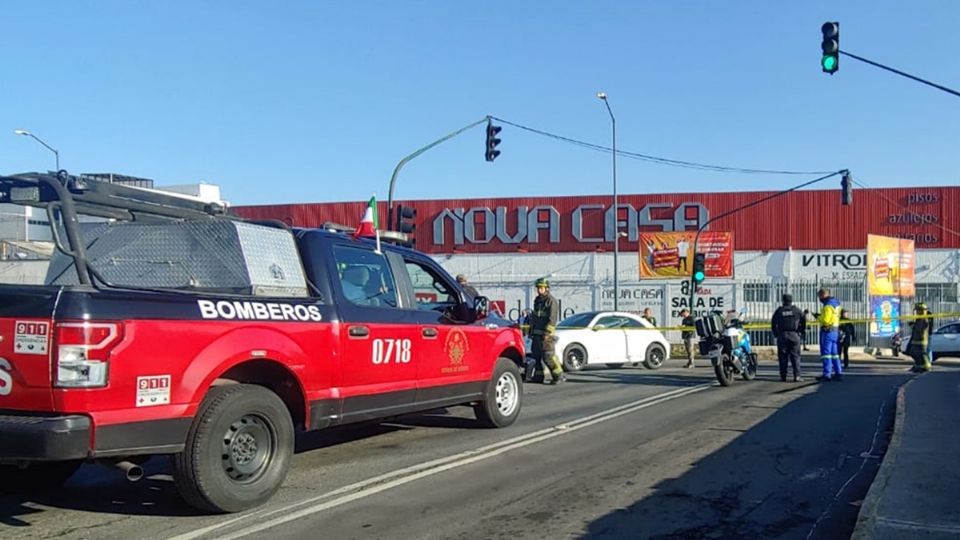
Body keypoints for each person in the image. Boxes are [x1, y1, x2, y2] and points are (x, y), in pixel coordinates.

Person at [527, 278, 566, 385]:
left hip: (546, 336)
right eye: (538, 288)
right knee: (536, 356)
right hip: (536, 334)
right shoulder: (537, 301)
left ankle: (558, 375)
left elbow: (552, 319)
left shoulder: (551, 301)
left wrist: (547, 333)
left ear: (547, 289)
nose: (539, 290)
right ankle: (538, 376)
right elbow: (535, 317)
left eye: (541, 288)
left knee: (548, 356)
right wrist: (531, 331)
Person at [771, 293, 804, 382]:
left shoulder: (779, 311)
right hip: (794, 335)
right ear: (791, 300)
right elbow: (803, 321)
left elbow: (773, 323)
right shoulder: (797, 310)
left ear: (783, 301)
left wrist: (776, 334)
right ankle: (797, 376)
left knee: (782, 357)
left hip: (782, 335)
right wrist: (800, 332)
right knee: (795, 356)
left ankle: (783, 376)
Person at [815, 288, 843, 382]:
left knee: (826, 354)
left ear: (823, 295)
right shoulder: (836, 303)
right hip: (835, 331)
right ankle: (838, 373)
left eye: (819, 296)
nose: (819, 299)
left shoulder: (827, 306)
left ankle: (827, 374)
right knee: (834, 354)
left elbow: (826, 321)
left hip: (827, 331)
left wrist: (818, 317)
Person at [907, 302, 932, 373]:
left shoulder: (923, 319)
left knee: (921, 355)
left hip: (921, 341)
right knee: (915, 354)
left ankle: (926, 367)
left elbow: (919, 329)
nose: (917, 312)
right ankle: (918, 367)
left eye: (918, 310)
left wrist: (912, 326)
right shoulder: (920, 319)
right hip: (917, 341)